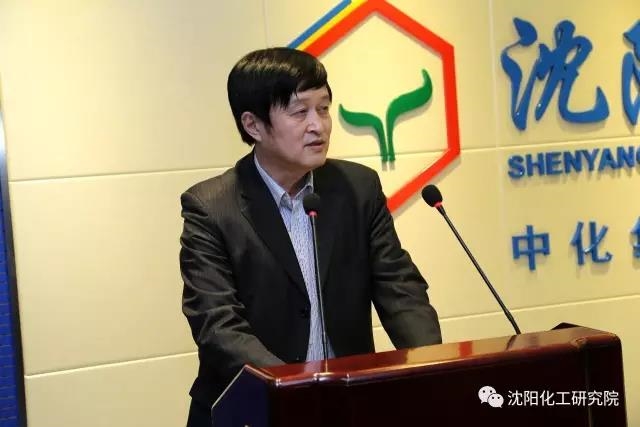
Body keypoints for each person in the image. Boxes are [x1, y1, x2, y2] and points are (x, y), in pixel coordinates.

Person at [180, 47, 442, 427]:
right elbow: (218, 326)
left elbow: (399, 287)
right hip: (253, 411)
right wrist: (296, 393)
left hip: (344, 407)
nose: (318, 125)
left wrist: (431, 367)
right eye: (299, 112)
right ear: (253, 125)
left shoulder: (358, 188)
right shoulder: (211, 208)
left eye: (323, 108)